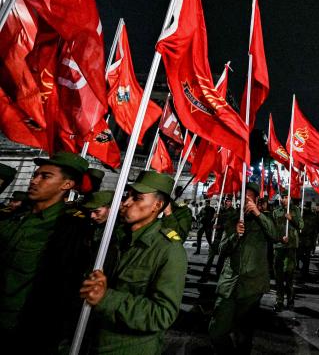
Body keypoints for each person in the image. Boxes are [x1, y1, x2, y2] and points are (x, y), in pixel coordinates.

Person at [79, 170, 187, 354]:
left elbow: (162, 314)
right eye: (127, 196)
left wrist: (106, 298)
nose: (126, 203)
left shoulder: (168, 250)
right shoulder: (112, 237)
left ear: (157, 205)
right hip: (89, 340)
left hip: (127, 347)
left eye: (137, 198)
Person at [0, 152, 92, 352]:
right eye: (35, 175)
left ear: (66, 185)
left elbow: (63, 291)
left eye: (45, 176)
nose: (34, 180)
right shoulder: (14, 215)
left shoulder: (70, 229)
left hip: (24, 332)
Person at [208, 182, 278, 353]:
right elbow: (221, 249)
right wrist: (234, 236)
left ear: (255, 199)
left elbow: (275, 235)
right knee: (216, 331)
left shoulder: (266, 219)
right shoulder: (233, 219)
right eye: (242, 196)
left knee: (244, 334)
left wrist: (258, 213)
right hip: (229, 284)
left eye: (249, 196)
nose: (245, 199)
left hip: (252, 286)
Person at [271, 189, 303, 311]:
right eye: (281, 197)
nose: (283, 199)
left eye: (285, 197)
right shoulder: (276, 212)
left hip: (290, 247)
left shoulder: (295, 210)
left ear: (289, 198)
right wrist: (279, 238)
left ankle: (290, 300)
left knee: (289, 275)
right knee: (278, 276)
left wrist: (292, 219)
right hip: (279, 246)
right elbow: (272, 229)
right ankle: (279, 301)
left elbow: (301, 225)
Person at [298, 200, 319, 280]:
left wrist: (314, 242)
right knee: (300, 255)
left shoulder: (313, 217)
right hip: (302, 238)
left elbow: (315, 230)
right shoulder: (301, 214)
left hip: (308, 239)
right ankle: (303, 270)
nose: (306, 208)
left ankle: (304, 272)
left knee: (306, 257)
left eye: (307, 207)